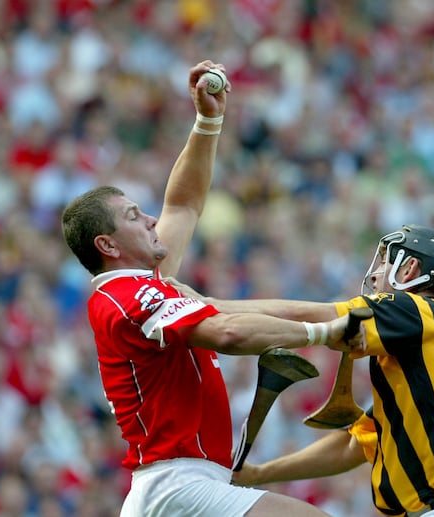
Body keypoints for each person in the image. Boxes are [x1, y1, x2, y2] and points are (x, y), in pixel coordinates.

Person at [61, 60, 359, 517]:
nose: (151, 220)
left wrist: (208, 121)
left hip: (183, 484)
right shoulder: (126, 297)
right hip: (176, 483)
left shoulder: (147, 283)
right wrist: (326, 333)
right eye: (133, 216)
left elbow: (183, 203)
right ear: (108, 244)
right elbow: (229, 334)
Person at [168, 224, 434, 517]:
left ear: (409, 270)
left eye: (387, 261)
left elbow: (320, 317)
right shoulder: (417, 353)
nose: (375, 272)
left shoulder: (416, 309)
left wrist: (210, 306)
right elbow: (353, 446)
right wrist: (259, 473)